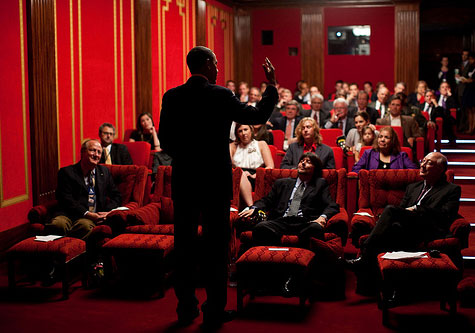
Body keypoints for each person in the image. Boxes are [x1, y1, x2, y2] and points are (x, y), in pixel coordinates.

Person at [158, 46, 278, 328]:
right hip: (214, 181)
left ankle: (185, 308)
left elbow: (165, 141)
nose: (218, 69)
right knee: (215, 247)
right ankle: (214, 311)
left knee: (184, 247)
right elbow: (258, 115)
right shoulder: (221, 95)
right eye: (216, 63)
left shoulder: (172, 96)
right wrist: (271, 84)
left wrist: (187, 157)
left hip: (185, 180)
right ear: (209, 65)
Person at [347, 152, 461, 290]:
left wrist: (417, 209)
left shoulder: (452, 189)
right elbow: (401, 210)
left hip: (428, 227)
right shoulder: (413, 187)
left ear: (441, 169)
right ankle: (386, 287)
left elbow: (446, 214)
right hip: (405, 227)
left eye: (429, 163)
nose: (423, 165)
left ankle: (365, 257)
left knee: (389, 211)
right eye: (423, 161)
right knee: (393, 227)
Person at [239, 153, 339, 247]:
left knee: (316, 229)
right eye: (301, 161)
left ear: (315, 168)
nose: (303, 163)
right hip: (282, 221)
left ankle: (303, 256)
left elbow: (331, 205)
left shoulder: (320, 184)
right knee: (261, 227)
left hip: (305, 223)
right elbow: (267, 200)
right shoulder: (282, 183)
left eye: (308, 162)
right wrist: (254, 208)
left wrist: (323, 217)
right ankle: (277, 255)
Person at [45, 139, 121, 240]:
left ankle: (72, 249)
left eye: (99, 152)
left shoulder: (104, 172)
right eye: (93, 150)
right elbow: (65, 199)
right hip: (68, 214)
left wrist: (106, 212)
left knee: (85, 226)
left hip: (91, 217)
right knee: (58, 224)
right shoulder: (66, 172)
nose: (96, 155)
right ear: (82, 152)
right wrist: (87, 213)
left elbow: (116, 196)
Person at [230, 124, 274, 207]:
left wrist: (255, 175)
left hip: (255, 177)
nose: (243, 133)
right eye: (240, 131)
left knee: (240, 175)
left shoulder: (261, 144)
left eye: (245, 129)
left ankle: (251, 207)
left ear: (251, 130)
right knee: (239, 174)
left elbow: (270, 166)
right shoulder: (233, 146)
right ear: (237, 134)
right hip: (237, 175)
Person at [352, 126, 418, 173]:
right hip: (373, 189)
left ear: (392, 140)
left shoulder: (401, 156)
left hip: (395, 189)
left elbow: (414, 171)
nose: (382, 140)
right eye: (380, 137)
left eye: (386, 137)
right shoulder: (369, 153)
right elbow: (355, 170)